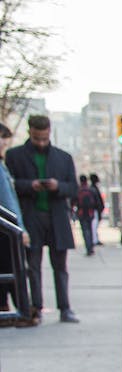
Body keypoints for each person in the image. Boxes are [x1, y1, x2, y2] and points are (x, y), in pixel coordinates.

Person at [6, 114, 79, 323]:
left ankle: (65, 308)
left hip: (56, 217)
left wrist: (58, 186)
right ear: (30, 132)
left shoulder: (63, 157)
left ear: (49, 133)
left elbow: (73, 188)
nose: (40, 142)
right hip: (31, 216)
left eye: (44, 138)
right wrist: (30, 185)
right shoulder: (14, 156)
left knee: (60, 267)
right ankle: (36, 308)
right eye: (37, 138)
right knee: (33, 266)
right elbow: (9, 187)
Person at [0, 123, 30, 327]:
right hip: (7, 227)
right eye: (2, 138)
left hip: (7, 226)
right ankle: (19, 309)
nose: (4, 142)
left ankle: (11, 308)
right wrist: (21, 228)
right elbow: (7, 200)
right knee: (11, 266)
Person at [73, 170, 98, 255]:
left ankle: (88, 248)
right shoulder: (91, 190)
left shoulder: (78, 190)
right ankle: (91, 247)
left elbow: (74, 202)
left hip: (81, 213)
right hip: (90, 213)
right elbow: (97, 202)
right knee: (90, 230)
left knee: (85, 231)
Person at [89, 173, 105, 247]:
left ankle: (95, 240)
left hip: (95, 210)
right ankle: (94, 240)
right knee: (94, 226)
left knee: (94, 226)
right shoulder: (93, 189)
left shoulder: (92, 188)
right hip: (95, 210)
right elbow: (98, 201)